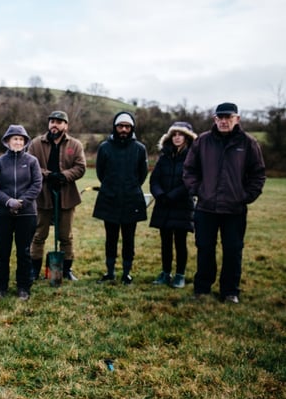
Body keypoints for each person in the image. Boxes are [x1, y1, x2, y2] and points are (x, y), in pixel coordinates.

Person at [183, 102, 265, 303]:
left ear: (237, 119)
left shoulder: (248, 143)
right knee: (204, 248)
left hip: (234, 209)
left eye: (228, 117)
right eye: (220, 118)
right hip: (206, 207)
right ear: (215, 119)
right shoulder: (202, 142)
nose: (224, 121)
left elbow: (258, 174)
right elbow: (189, 170)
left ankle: (230, 292)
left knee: (233, 250)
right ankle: (202, 289)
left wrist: (246, 196)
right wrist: (198, 190)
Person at [28, 110, 87, 282]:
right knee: (39, 234)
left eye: (59, 122)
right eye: (52, 121)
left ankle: (66, 270)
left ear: (66, 126)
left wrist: (63, 176)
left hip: (66, 195)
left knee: (65, 236)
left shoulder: (75, 145)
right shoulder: (36, 143)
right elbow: (30, 164)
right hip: (42, 195)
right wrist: (47, 174)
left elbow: (81, 167)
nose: (55, 124)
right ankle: (34, 270)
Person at [93, 111, 148, 285]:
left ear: (132, 128)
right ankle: (110, 271)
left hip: (131, 199)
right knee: (111, 237)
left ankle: (126, 273)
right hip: (110, 198)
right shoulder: (104, 147)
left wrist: (129, 187)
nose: (123, 129)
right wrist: (112, 187)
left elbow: (142, 174)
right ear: (115, 127)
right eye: (120, 126)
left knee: (128, 238)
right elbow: (100, 172)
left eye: (127, 126)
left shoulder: (140, 148)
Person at [0, 125, 42, 300]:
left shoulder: (32, 161)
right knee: (3, 251)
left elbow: (37, 185)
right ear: (7, 141)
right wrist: (7, 201)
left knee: (24, 251)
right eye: (14, 139)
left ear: (25, 142)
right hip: (2, 214)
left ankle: (23, 287)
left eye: (21, 139)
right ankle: (0, 288)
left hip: (27, 214)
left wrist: (22, 202)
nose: (18, 142)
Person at [149, 121, 197, 288]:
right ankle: (165, 273)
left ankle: (180, 275)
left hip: (182, 205)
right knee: (165, 241)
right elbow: (154, 179)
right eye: (174, 134)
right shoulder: (164, 157)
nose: (177, 138)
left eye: (180, 134)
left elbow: (191, 181)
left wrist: (173, 195)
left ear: (187, 137)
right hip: (164, 204)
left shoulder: (193, 156)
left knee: (180, 241)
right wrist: (160, 194)